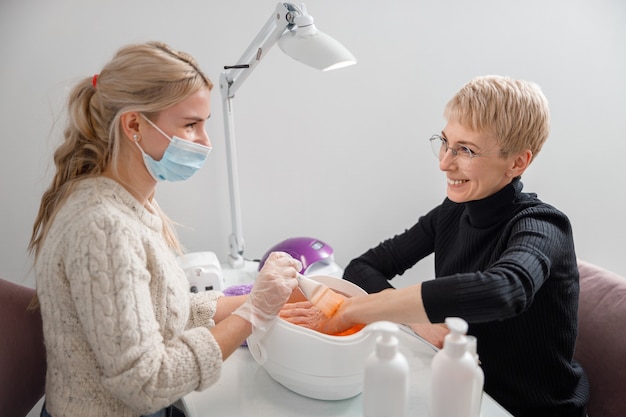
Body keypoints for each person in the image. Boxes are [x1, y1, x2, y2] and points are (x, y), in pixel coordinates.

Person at [281, 75, 589, 417]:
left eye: (466, 150)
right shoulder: (452, 213)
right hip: (463, 393)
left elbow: (504, 290)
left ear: (517, 162)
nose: (444, 162)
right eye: (445, 142)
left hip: (529, 409)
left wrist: (354, 310)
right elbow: (363, 267)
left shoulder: (543, 226)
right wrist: (419, 322)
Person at [28, 41, 302, 417]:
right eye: (191, 125)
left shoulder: (128, 201)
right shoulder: (103, 227)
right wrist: (252, 314)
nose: (206, 143)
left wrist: (269, 303)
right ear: (135, 124)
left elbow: (153, 310)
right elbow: (146, 383)